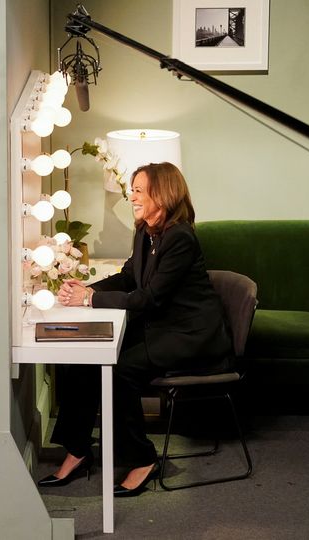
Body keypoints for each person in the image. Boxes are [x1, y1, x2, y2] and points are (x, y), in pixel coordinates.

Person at [41, 162, 232, 497]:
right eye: (133, 189)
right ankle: (77, 450)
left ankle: (143, 459)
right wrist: (85, 290)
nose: (132, 196)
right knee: (83, 356)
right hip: (160, 327)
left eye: (139, 190)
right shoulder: (146, 231)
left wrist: (90, 301)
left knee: (120, 371)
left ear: (163, 193)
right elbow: (129, 277)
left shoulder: (180, 237)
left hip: (191, 335)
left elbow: (152, 298)